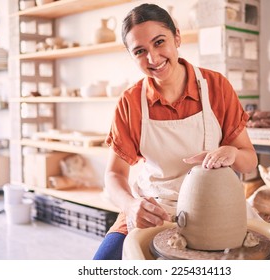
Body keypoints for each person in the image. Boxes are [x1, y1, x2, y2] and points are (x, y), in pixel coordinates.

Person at [93, 3, 258, 260]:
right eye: (140, 51)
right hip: (153, 209)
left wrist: (232, 152)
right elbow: (114, 174)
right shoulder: (130, 102)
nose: (153, 58)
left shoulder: (216, 87)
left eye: (159, 42)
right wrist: (131, 205)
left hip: (215, 207)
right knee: (103, 264)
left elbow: (249, 160)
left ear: (177, 37)